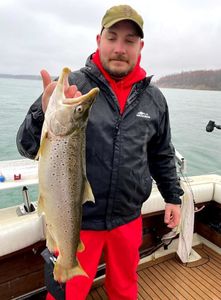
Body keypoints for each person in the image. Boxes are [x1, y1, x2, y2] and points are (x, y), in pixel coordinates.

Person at [16, 4, 183, 300]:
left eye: (129, 41)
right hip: (75, 220)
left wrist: (173, 197)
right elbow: (27, 146)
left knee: (124, 290)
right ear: (98, 40)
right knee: (65, 294)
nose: (120, 48)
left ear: (140, 46)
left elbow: (161, 153)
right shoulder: (71, 89)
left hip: (128, 219)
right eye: (112, 37)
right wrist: (43, 113)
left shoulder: (154, 98)